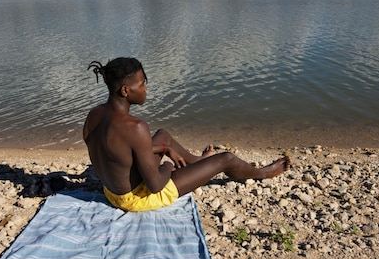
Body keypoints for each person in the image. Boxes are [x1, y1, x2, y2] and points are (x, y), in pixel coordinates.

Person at [83, 57, 291, 212]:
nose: (146, 88)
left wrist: (165, 148)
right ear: (126, 91)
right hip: (137, 198)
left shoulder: (94, 114)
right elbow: (155, 185)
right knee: (226, 159)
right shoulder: (135, 127)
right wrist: (167, 166)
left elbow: (118, 151)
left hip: (111, 192)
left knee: (163, 136)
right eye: (142, 84)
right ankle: (262, 173)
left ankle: (198, 162)